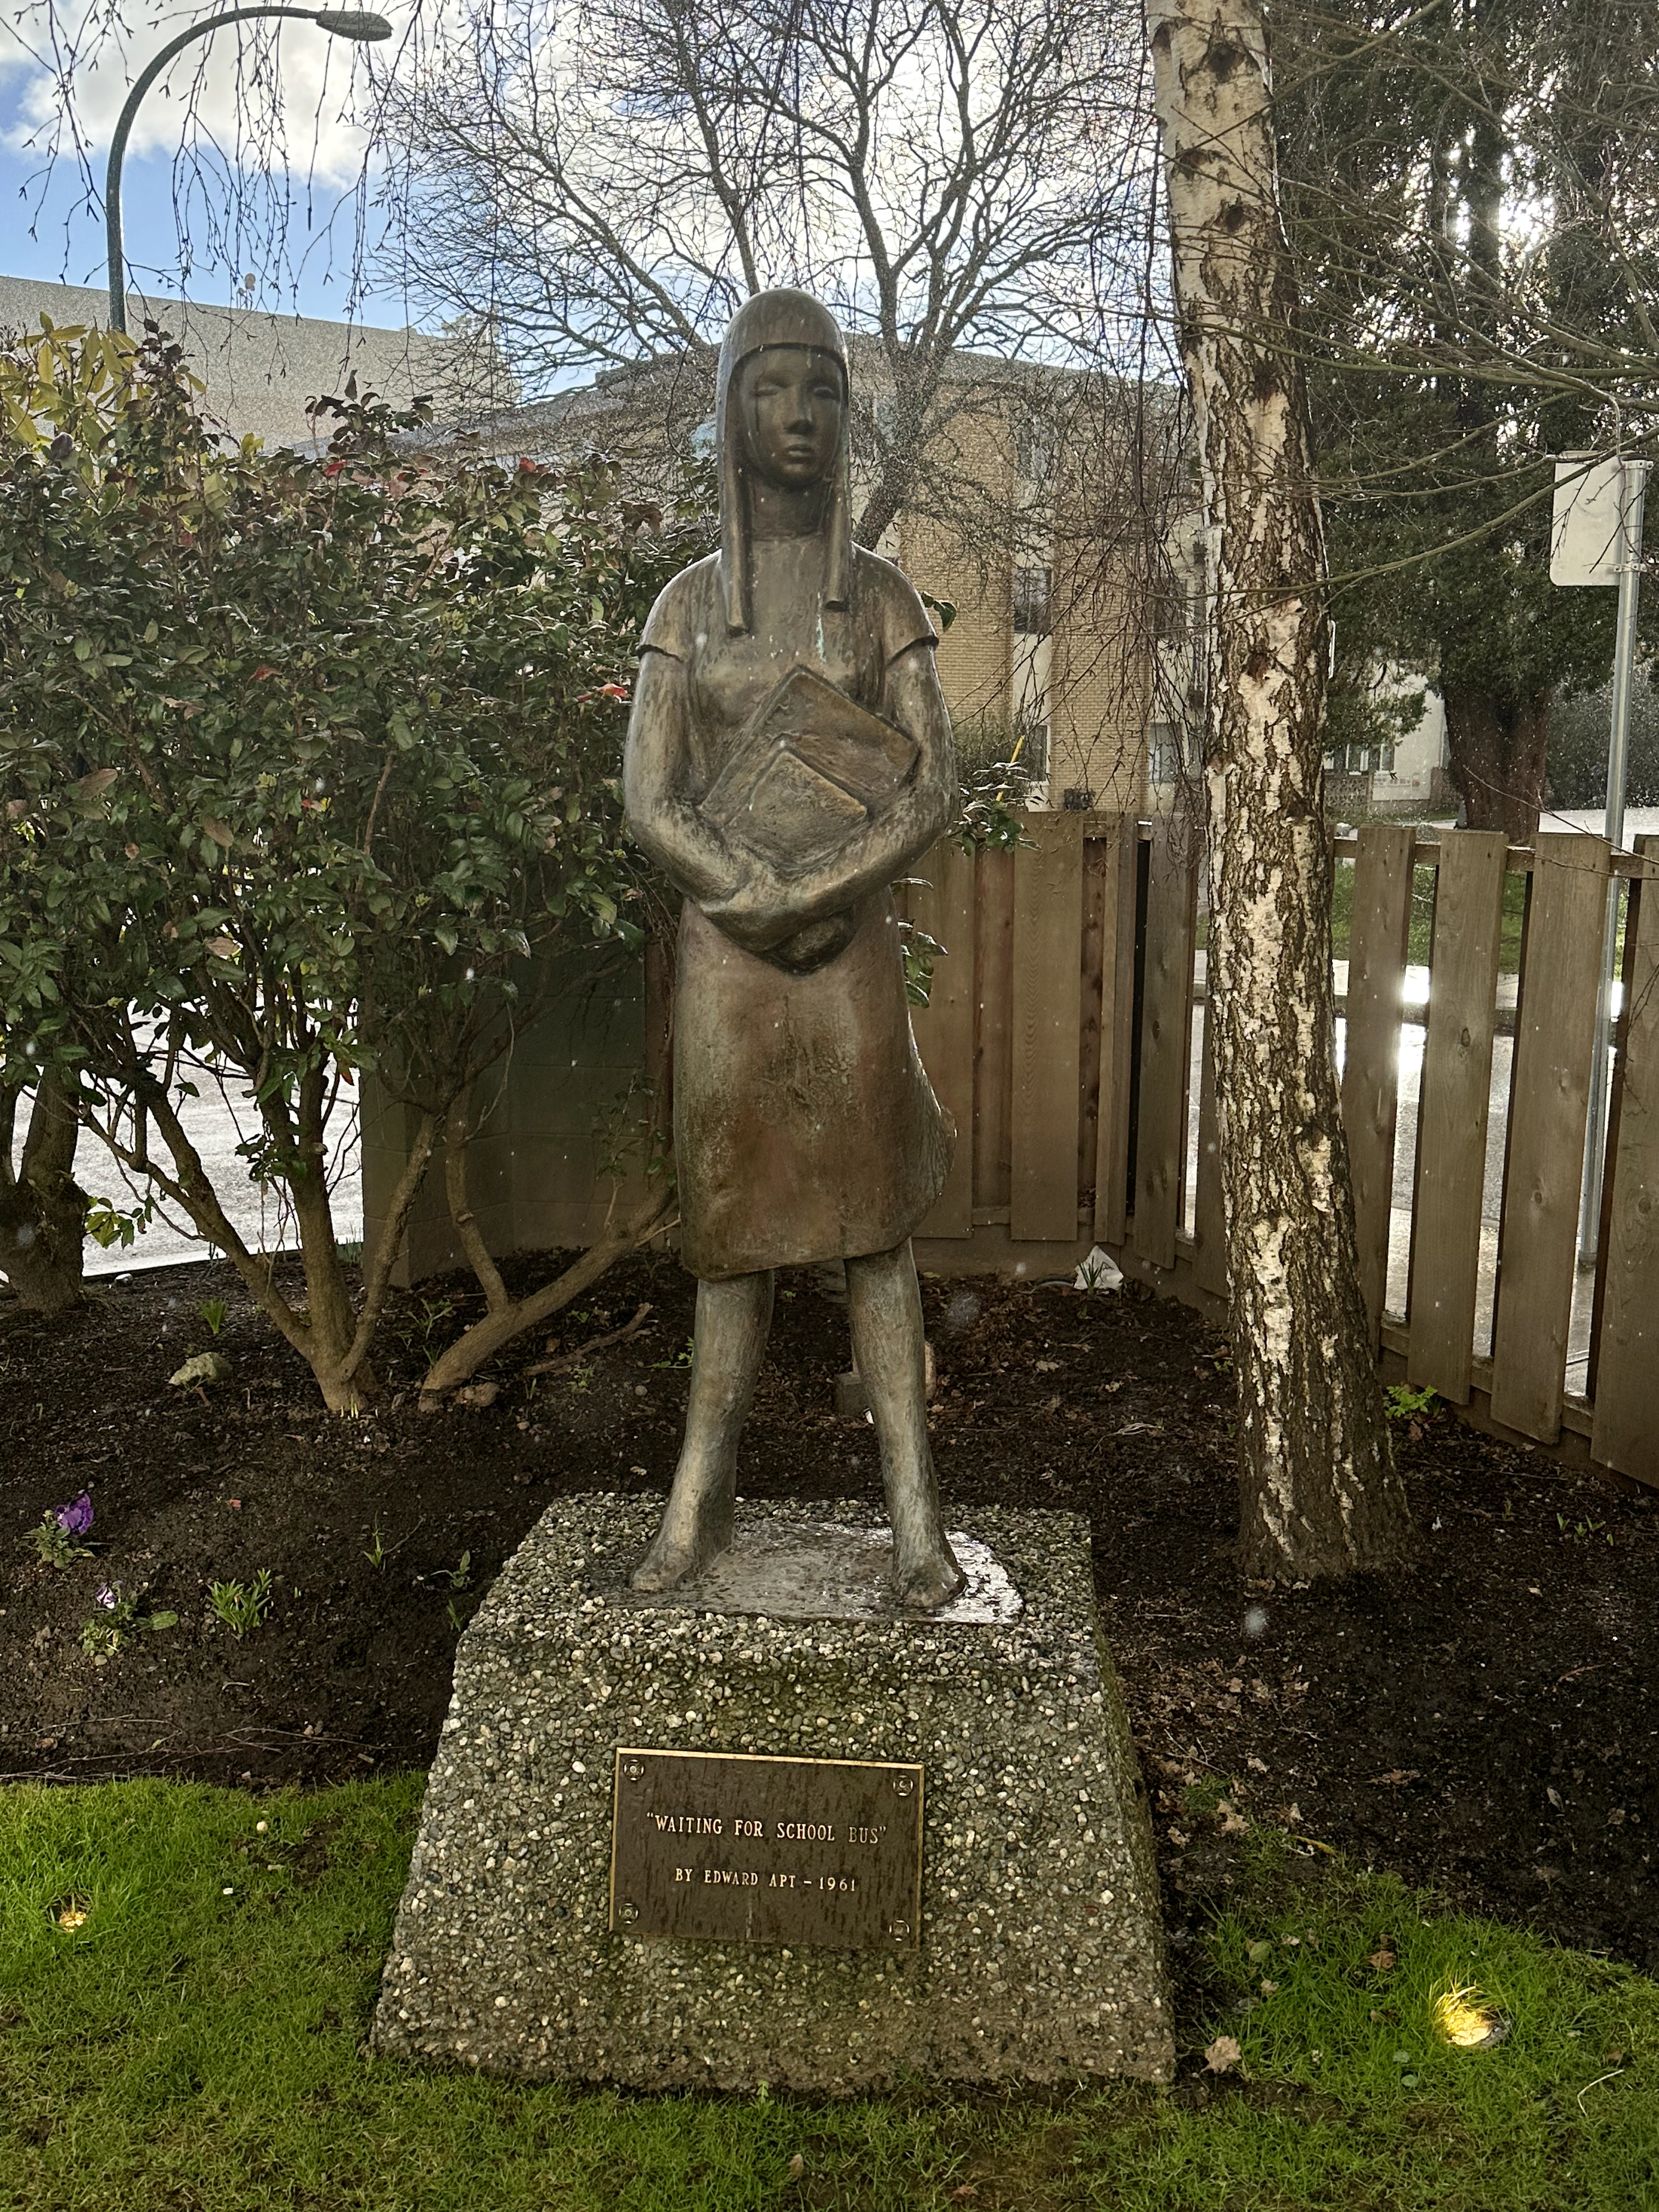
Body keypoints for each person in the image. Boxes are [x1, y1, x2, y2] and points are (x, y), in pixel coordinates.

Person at [622, 288, 965, 1609]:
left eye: (821, 389)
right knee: (731, 1237)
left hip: (850, 966)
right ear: (732, 411)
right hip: (730, 965)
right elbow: (649, 799)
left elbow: (932, 784)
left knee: (873, 1231)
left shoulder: (879, 599)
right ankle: (696, 1509)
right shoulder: (686, 607)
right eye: (773, 388)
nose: (801, 415)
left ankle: (916, 1523)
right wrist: (752, 892)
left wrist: (820, 884)